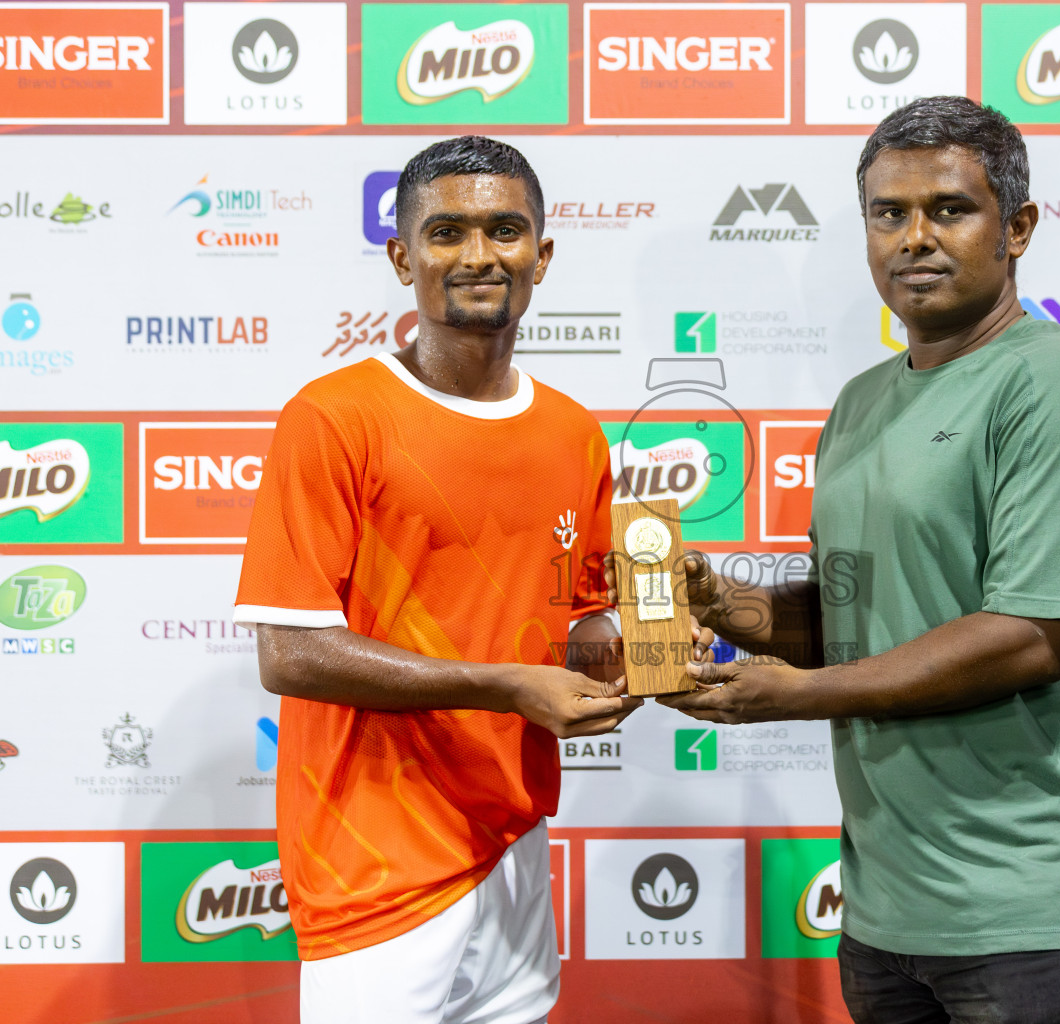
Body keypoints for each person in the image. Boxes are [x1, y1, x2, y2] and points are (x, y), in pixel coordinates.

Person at [654, 97, 1060, 1023]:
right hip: (888, 908)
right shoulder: (861, 401)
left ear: (1018, 228)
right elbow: (859, 616)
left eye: (949, 210)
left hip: (1031, 909)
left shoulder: (1057, 386)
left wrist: (793, 697)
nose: (914, 238)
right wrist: (730, 607)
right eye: (888, 214)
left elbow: (1028, 637)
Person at [234, 136, 699, 1024]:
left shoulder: (574, 433)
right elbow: (290, 653)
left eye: (504, 230)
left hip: (513, 839)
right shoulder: (334, 418)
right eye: (447, 231)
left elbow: (579, 628)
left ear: (542, 255)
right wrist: (506, 688)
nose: (479, 255)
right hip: (376, 859)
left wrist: (656, 648)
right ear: (402, 256)